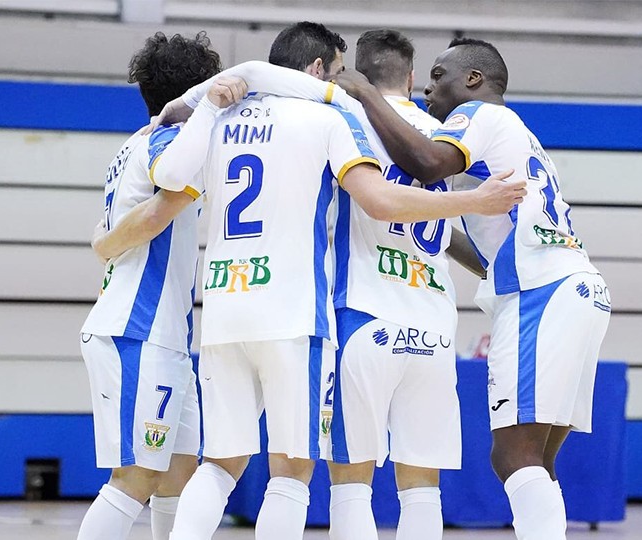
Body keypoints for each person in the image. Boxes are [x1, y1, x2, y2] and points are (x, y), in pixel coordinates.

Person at [122, 22, 525, 540]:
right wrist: (478, 206)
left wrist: (176, 110)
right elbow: (396, 207)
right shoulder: (408, 131)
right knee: (381, 480)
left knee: (228, 466)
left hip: (242, 306)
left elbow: (171, 186)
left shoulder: (222, 118)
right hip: (360, 315)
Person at [333, 38, 612, 540]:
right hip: (577, 289)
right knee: (538, 460)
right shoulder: (517, 133)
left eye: (439, 76)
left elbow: (427, 162)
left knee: (512, 456)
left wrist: (364, 94)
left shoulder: (478, 114)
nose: (428, 90)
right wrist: (421, 216)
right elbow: (468, 241)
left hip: (540, 293)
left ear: (474, 80)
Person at [76, 32, 243, 540]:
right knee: (137, 477)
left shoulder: (134, 142)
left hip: (163, 334)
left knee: (178, 473)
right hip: (137, 329)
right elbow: (153, 215)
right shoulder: (167, 141)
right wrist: (103, 245)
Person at [322, 29, 461, 540]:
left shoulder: (342, 116)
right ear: (411, 75)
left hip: (364, 312)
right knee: (422, 483)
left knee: (351, 480)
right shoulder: (440, 136)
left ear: (354, 71)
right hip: (433, 324)